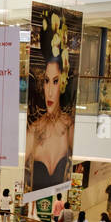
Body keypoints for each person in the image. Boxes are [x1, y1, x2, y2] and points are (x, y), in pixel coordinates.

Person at [26, 57, 75, 196]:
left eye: (55, 81)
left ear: (63, 85)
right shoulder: (34, 129)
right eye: (46, 81)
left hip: (56, 206)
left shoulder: (69, 127)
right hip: (34, 206)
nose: (50, 91)